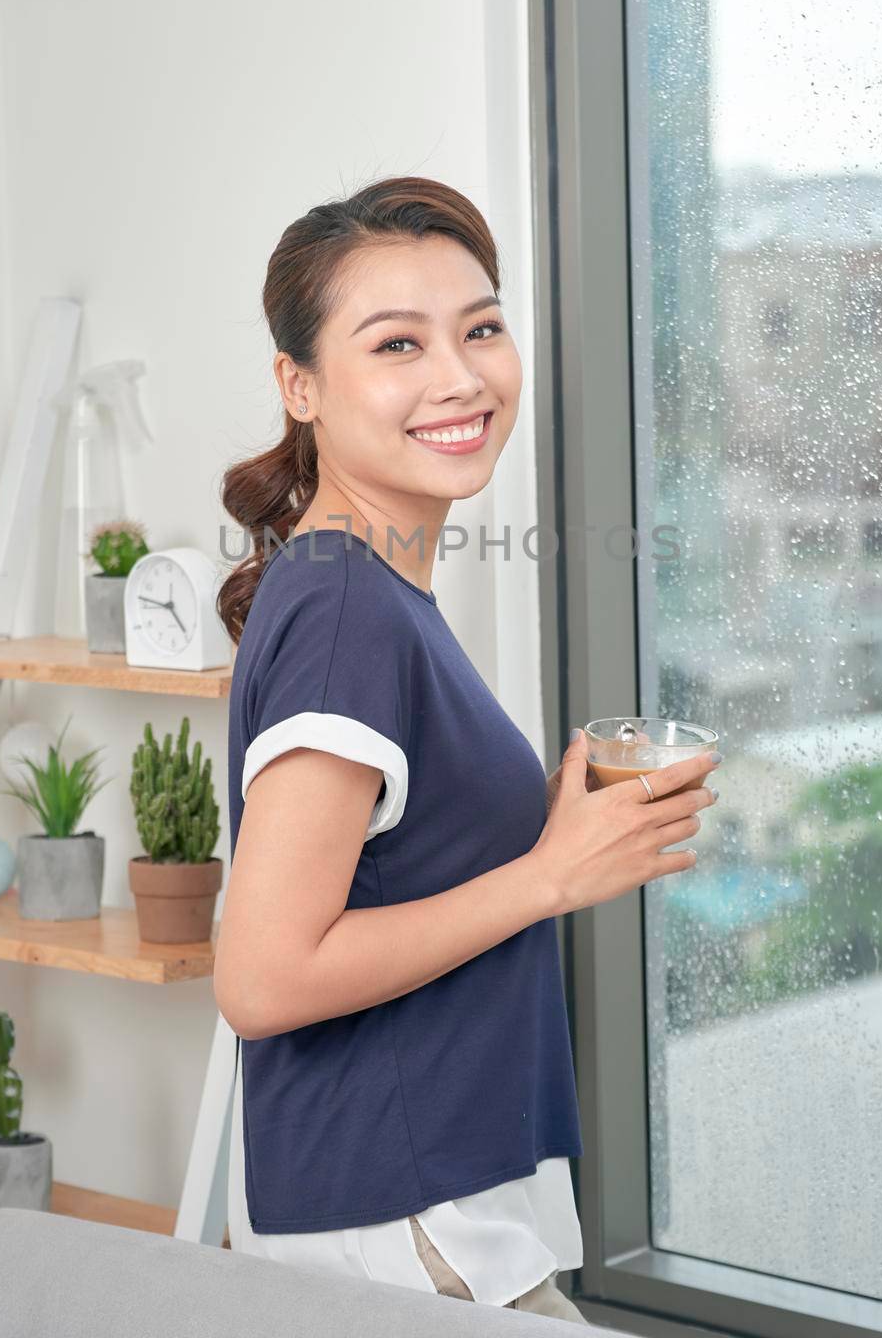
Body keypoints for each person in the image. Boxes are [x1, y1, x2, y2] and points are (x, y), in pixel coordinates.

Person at [213, 176, 721, 1322]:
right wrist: (550, 875)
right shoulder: (349, 610)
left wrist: (541, 832)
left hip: (426, 1197)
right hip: (403, 1223)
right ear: (301, 385)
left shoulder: (362, 588)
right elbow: (262, 978)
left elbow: (379, 865)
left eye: (481, 328)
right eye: (397, 343)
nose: (460, 375)